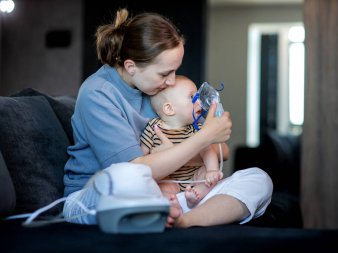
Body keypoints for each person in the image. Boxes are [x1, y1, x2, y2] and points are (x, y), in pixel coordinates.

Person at [62, 8, 273, 228]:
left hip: (172, 191)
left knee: (259, 179)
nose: (172, 81)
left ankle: (183, 220)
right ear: (131, 66)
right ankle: (161, 211)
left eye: (175, 71)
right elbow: (138, 170)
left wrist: (178, 151)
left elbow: (223, 152)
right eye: (164, 74)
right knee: (129, 177)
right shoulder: (98, 93)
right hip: (100, 195)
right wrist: (203, 139)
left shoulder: (159, 90)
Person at [140, 75, 223, 209]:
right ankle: (173, 205)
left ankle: (197, 195)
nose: (200, 102)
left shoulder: (196, 129)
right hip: (169, 179)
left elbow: (208, 151)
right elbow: (141, 157)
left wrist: (212, 171)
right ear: (169, 109)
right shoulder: (153, 128)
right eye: (192, 97)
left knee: (204, 171)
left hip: (194, 178)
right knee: (160, 185)